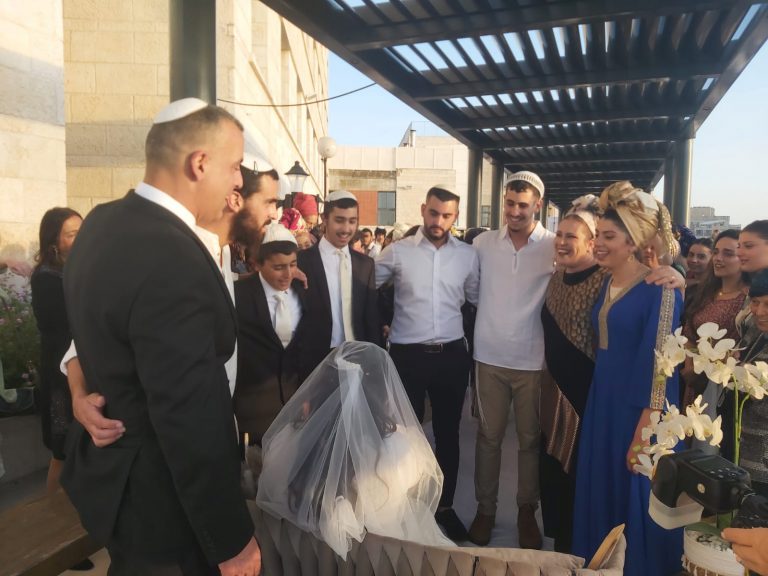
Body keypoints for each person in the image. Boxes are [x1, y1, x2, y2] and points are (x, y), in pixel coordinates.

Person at [61, 98, 261, 576]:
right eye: (235, 166)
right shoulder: (171, 254)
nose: (239, 180)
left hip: (120, 489)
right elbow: (186, 413)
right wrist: (230, 539)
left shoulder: (101, 222)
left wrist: (77, 388)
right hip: (166, 504)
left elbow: (103, 332)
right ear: (200, 163)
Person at [61, 148, 281, 446]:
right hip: (161, 447)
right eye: (269, 202)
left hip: (214, 431)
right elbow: (87, 337)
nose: (275, 214)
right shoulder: (167, 254)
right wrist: (79, 397)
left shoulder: (223, 251)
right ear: (235, 198)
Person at [572, 181, 683, 576]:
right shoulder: (606, 281)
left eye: (608, 236)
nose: (598, 243)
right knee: (603, 487)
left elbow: (661, 370)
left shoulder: (661, 289)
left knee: (632, 492)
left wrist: (645, 431)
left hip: (640, 411)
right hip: (603, 402)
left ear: (632, 241)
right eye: (598, 235)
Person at [256, 342, 454, 558]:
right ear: (383, 395)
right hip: (379, 562)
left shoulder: (284, 442)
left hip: (303, 561)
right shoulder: (402, 451)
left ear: (319, 390)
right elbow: (421, 490)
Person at [375, 185, 479, 542]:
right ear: (423, 209)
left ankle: (444, 507)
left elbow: (475, 298)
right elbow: (364, 285)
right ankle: (404, 507)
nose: (438, 221)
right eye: (433, 213)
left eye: (446, 215)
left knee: (449, 435)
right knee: (404, 435)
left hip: (451, 356)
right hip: (408, 356)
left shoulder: (467, 256)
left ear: (455, 217)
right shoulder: (397, 252)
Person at [469, 171, 554, 549]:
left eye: (523, 205)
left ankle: (526, 512)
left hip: (533, 360)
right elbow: (471, 290)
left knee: (530, 441)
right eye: (509, 203)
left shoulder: (553, 245)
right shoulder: (483, 243)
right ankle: (485, 510)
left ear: (538, 205)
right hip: (488, 356)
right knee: (487, 438)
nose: (515, 211)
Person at [539, 194, 605, 554]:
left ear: (592, 243)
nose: (562, 242)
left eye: (572, 236)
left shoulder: (606, 281)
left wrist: (671, 272)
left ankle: (578, 549)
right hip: (552, 388)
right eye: (559, 235)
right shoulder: (556, 277)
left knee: (579, 472)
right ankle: (560, 545)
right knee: (552, 470)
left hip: (585, 393)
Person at [234, 222, 306, 446]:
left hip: (295, 409)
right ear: (258, 265)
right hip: (253, 413)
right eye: (278, 267)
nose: (287, 274)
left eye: (292, 265)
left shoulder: (303, 291)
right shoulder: (238, 296)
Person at [296, 190, 380, 382]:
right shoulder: (303, 261)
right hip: (315, 362)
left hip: (357, 360)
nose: (346, 229)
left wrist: (373, 365)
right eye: (339, 220)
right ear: (325, 219)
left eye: (352, 221)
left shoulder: (365, 264)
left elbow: (371, 318)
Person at [30, 207, 82, 493]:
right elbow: (59, 325)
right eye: (72, 234)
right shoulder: (46, 278)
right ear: (54, 242)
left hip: (80, 367)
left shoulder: (76, 269)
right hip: (60, 372)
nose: (80, 238)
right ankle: (51, 512)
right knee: (62, 451)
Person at [681, 230, 748, 441]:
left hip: (723, 387)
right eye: (716, 252)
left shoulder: (749, 301)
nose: (718, 258)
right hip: (693, 381)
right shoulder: (706, 292)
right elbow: (689, 333)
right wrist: (690, 366)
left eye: (728, 253)